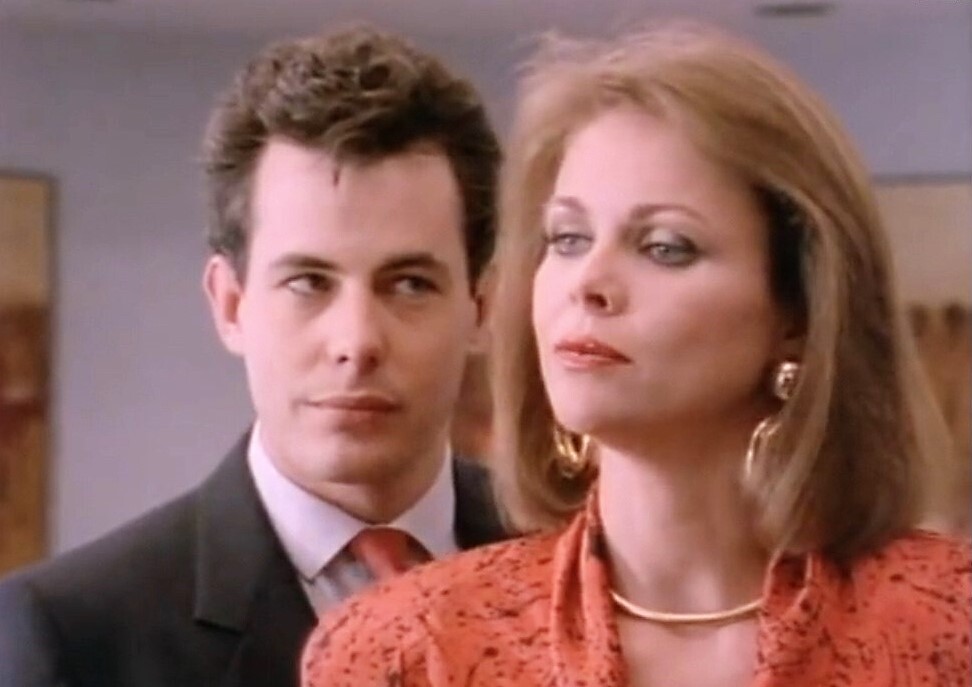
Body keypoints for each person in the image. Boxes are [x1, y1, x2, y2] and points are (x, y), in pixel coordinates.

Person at [301, 21, 972, 687]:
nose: (587, 282)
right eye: (567, 239)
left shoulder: (947, 625)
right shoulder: (404, 651)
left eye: (664, 247)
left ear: (798, 311)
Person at [0, 25, 505, 687]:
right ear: (230, 305)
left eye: (409, 284)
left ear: (481, 307)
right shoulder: (77, 635)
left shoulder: (589, 566)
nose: (356, 342)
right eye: (308, 282)